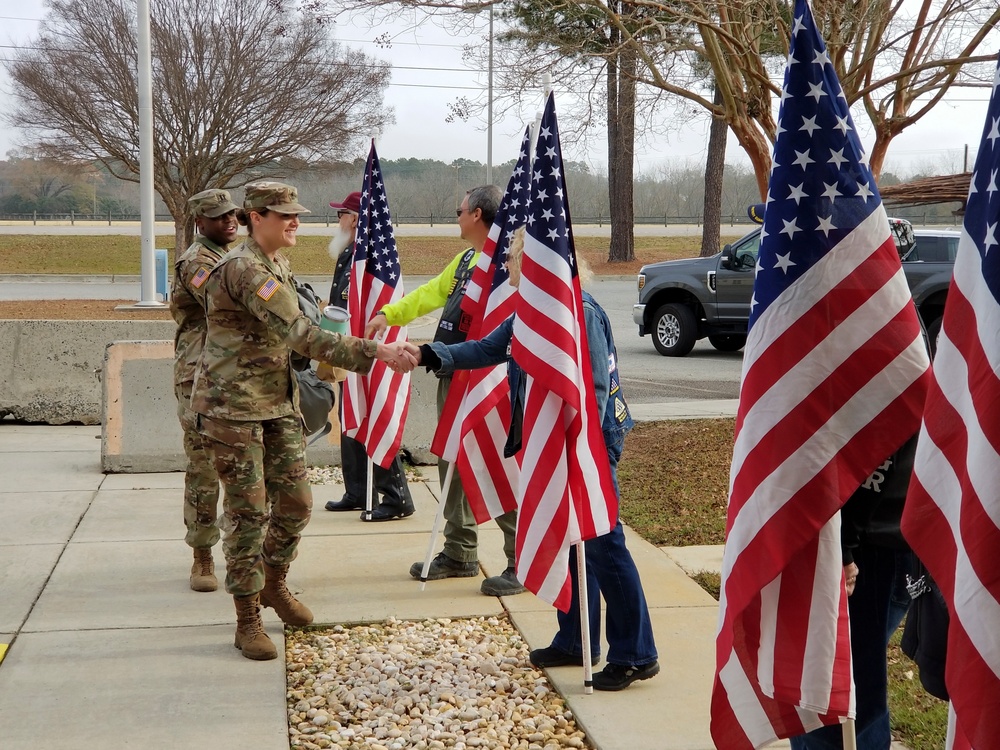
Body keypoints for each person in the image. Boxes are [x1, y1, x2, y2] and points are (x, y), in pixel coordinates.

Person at [404, 228, 660, 691]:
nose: (505, 266)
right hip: (561, 442)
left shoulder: (578, 311)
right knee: (569, 537)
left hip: (590, 442)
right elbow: (484, 349)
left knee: (603, 542)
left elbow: (596, 390)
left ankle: (636, 653)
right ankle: (576, 639)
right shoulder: (529, 311)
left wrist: (581, 452)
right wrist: (426, 353)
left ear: (539, 262)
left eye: (512, 257)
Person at [191, 181, 416, 661]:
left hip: (274, 403)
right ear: (255, 216)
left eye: (296, 213)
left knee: (296, 502)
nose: (295, 221)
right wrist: (377, 351)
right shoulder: (248, 269)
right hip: (233, 410)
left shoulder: (275, 262)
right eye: (283, 214)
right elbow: (297, 331)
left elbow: (295, 331)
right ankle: (247, 617)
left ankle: (274, 583)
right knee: (249, 514)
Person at [366, 184, 524, 596]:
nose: (455, 216)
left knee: (496, 464)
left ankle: (522, 559)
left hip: (491, 381)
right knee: (450, 459)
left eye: (459, 210)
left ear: (476, 214)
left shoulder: (507, 262)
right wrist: (388, 313)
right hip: (452, 371)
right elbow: (430, 294)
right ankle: (460, 551)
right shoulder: (467, 259)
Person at [790, 435, 918, 749]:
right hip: (874, 541)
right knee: (839, 691)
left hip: (869, 551)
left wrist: (843, 546)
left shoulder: (892, 383)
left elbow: (885, 435)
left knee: (832, 700)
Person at [323, 190, 414, 521]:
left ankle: (396, 497)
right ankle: (358, 490)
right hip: (349, 350)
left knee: (374, 417)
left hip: (370, 351)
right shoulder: (349, 254)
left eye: (341, 215)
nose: (338, 222)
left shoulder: (372, 259)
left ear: (356, 219)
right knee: (350, 417)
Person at [169, 188, 239, 592]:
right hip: (199, 379)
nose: (229, 220)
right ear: (201, 223)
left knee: (242, 470)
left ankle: (240, 555)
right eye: (218, 216)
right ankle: (202, 555)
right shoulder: (197, 262)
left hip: (232, 376)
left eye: (232, 213)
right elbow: (225, 299)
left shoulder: (233, 256)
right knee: (204, 469)